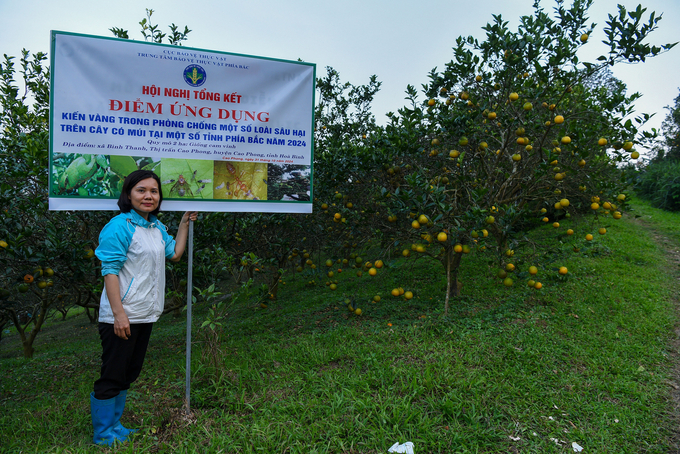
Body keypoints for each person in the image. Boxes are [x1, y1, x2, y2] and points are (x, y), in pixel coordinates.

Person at [91, 169, 197, 446]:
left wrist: (184, 223)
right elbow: (110, 271)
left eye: (154, 191)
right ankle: (103, 434)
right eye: (141, 190)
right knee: (113, 373)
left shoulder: (156, 228)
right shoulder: (120, 226)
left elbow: (174, 254)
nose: (148, 196)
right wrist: (118, 314)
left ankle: (116, 426)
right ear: (128, 194)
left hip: (145, 313)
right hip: (121, 315)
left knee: (129, 371)